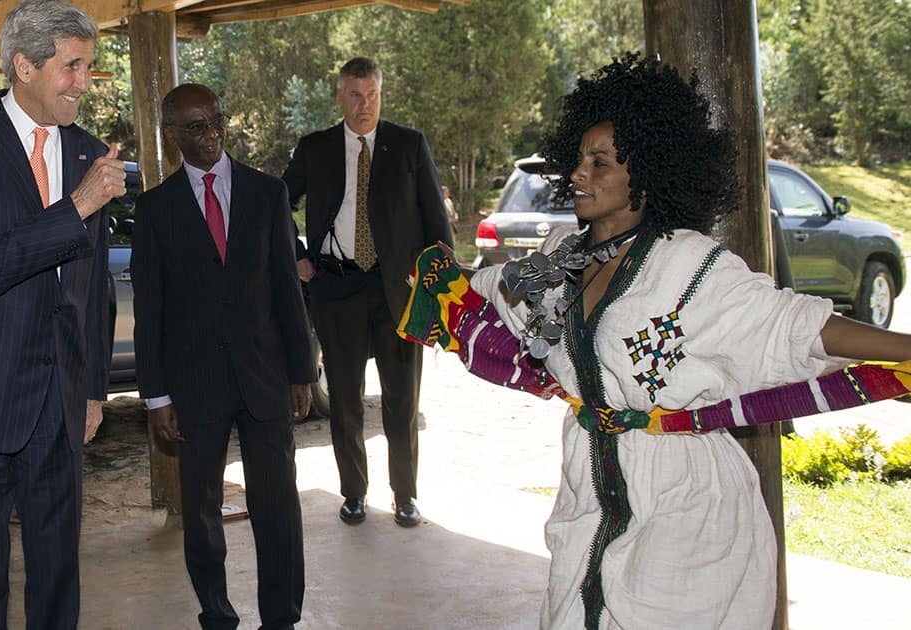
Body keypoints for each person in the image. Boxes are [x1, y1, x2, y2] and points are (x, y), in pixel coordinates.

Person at [407, 53, 911, 628]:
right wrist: (445, 280)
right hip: (590, 493)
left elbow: (795, 326)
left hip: (685, 505)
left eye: (600, 163)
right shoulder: (560, 258)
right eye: (578, 160)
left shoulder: (690, 267)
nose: (579, 174)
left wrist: (906, 348)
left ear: (644, 174)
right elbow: (491, 292)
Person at [0, 1, 125, 627]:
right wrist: (79, 206)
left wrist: (91, 390)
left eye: (89, 67)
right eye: (72, 68)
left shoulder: (89, 150)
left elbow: (90, 289)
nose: (84, 84)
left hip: (58, 406)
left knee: (57, 580)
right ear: (24, 67)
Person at [132, 83, 314, 630]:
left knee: (277, 505)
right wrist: (156, 395)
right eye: (194, 127)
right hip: (194, 386)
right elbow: (151, 310)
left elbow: (286, 285)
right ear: (171, 136)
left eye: (215, 120)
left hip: (265, 376)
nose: (209, 134)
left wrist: (302, 370)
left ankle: (281, 616)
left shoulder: (267, 192)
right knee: (203, 511)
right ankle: (216, 613)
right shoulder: (155, 209)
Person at [282, 56, 452, 527]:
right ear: (340, 97)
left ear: (381, 94)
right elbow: (278, 201)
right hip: (337, 288)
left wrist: (439, 286)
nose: (364, 105)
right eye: (355, 96)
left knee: (402, 399)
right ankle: (354, 493)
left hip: (398, 288)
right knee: (345, 400)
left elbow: (436, 222)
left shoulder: (409, 145)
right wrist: (296, 255)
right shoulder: (315, 148)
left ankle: (405, 495)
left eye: (372, 96)